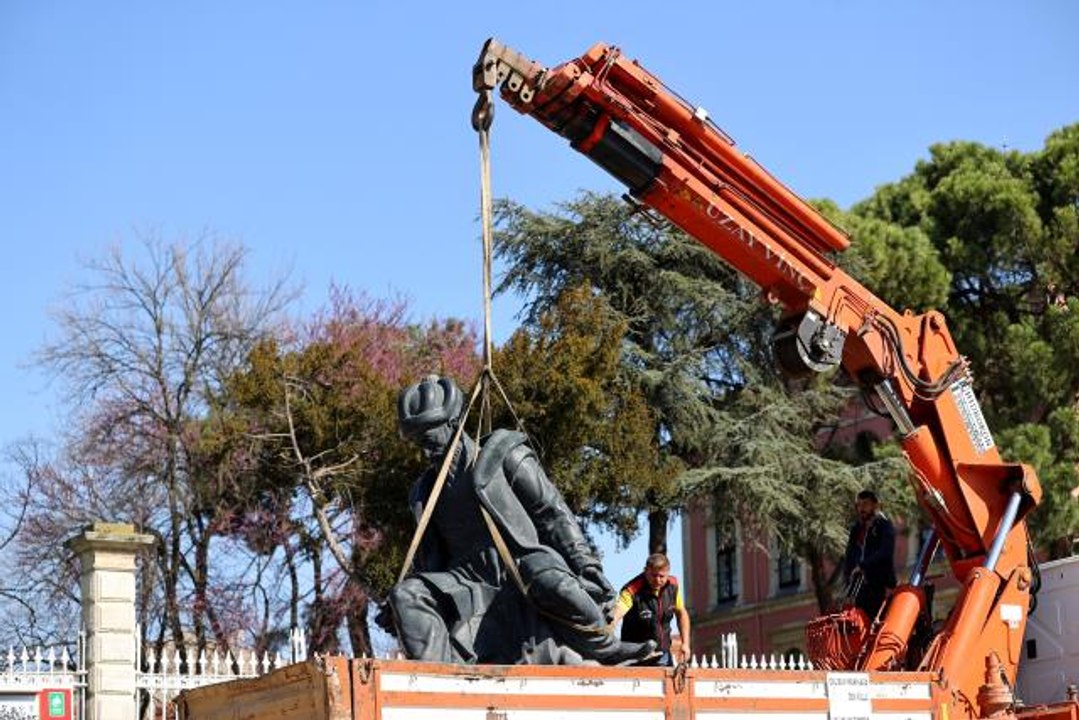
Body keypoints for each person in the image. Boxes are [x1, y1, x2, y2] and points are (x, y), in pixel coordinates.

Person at [387, 374, 657, 666]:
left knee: (557, 584)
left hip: (519, 568)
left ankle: (605, 646)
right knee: (405, 594)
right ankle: (439, 680)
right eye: (418, 444)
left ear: (452, 424)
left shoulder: (503, 456)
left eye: (429, 439)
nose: (426, 452)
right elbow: (430, 560)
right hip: (465, 581)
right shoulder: (424, 491)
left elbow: (553, 514)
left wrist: (589, 569)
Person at [610, 553, 691, 666]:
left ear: (668, 572)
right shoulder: (631, 590)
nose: (657, 580)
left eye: (662, 576)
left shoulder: (673, 586)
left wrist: (685, 644)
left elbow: (682, 613)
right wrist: (608, 632)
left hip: (662, 653)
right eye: (653, 575)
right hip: (636, 656)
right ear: (645, 571)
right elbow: (617, 613)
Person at [842, 489, 897, 620]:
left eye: (865, 504)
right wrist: (848, 577)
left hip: (881, 586)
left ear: (875, 505)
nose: (861, 508)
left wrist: (863, 566)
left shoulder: (884, 526)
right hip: (860, 588)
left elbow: (885, 553)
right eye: (859, 505)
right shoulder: (856, 530)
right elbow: (850, 555)